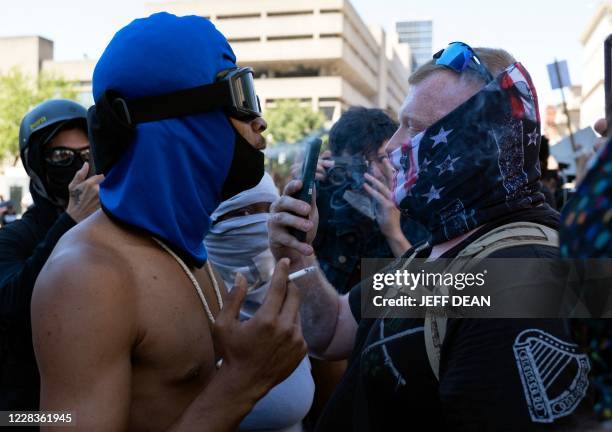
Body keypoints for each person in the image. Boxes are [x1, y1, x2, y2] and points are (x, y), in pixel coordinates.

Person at [269, 43, 591, 430]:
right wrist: (298, 254)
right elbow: (335, 330)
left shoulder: (520, 277)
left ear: (477, 146)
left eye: (416, 129)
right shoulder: (444, 246)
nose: (391, 147)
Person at [32, 13, 306, 431]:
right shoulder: (88, 277)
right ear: (182, 121)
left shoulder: (187, 249)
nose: (260, 120)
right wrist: (241, 383)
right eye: (240, 92)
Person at [0, 99, 102, 412]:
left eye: (86, 154)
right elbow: (9, 303)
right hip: (24, 413)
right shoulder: (17, 236)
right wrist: (69, 220)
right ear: (38, 165)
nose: (78, 165)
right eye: (61, 156)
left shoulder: (113, 229)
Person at [205, 172, 315, 432]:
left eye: (270, 210)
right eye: (244, 214)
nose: (261, 223)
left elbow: (341, 332)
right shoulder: (181, 304)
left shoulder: (298, 301)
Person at [310, 107, 427, 295]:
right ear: (333, 161)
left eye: (382, 159)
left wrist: (394, 233)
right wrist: (304, 190)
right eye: (359, 164)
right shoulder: (321, 202)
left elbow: (436, 301)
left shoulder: (417, 207)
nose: (373, 173)